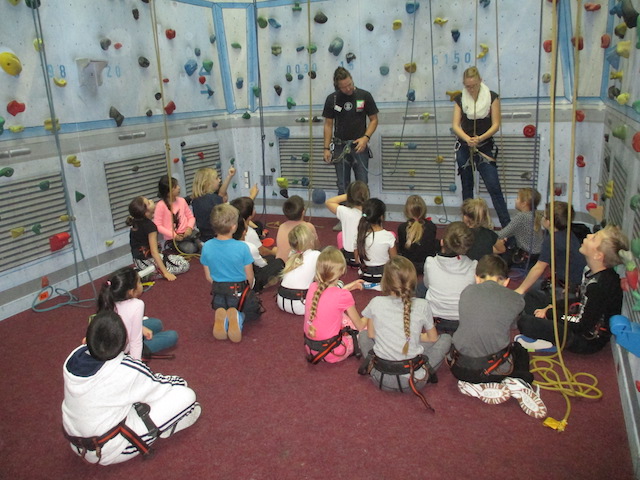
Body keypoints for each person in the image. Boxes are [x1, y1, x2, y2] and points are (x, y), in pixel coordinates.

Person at [62, 311, 200, 465]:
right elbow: (160, 388)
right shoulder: (126, 369)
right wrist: (180, 382)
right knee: (187, 395)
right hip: (112, 448)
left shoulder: (73, 358)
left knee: (134, 392)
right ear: (124, 342)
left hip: (79, 440)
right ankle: (167, 426)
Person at [449, 255, 546, 419]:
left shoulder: (467, 291)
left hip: (457, 366)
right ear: (506, 282)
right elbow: (512, 325)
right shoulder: (516, 300)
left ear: (477, 278)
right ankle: (520, 381)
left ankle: (470, 384)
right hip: (493, 370)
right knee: (519, 349)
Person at [517, 225, 629, 354]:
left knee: (525, 323)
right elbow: (579, 301)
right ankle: (545, 331)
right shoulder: (592, 271)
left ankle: (548, 338)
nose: (589, 235)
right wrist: (553, 307)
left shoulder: (599, 286)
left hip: (584, 338)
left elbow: (582, 325)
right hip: (577, 317)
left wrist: (551, 314)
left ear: (598, 255)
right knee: (532, 296)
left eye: (594, 238)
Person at [358, 256, 452, 409]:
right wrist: (411, 336)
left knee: (362, 335)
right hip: (414, 380)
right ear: (413, 280)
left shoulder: (375, 302)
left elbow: (371, 335)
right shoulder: (423, 305)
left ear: (385, 281)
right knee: (446, 338)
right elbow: (433, 338)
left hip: (379, 377)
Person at [452, 66, 510, 228]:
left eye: (473, 86)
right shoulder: (460, 99)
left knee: (494, 188)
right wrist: (467, 139)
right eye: (467, 86)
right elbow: (455, 125)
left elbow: (496, 124)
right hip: (465, 145)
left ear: (480, 81)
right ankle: (468, 227)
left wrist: (480, 138)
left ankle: (507, 228)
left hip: (484, 146)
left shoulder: (492, 97)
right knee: (467, 188)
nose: (470, 89)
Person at [200, 203, 261, 343]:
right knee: (252, 312)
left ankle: (224, 316)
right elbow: (250, 277)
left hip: (218, 290)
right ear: (234, 227)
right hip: (238, 291)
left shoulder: (207, 246)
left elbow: (208, 276)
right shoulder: (242, 247)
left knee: (223, 304)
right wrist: (249, 288)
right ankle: (237, 317)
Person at [515, 202, 587, 314]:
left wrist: (520, 290)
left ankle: (533, 316)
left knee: (529, 294)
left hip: (569, 288)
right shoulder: (566, 233)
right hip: (575, 283)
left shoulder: (552, 240)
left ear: (548, 222)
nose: (542, 218)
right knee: (535, 285)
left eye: (544, 216)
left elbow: (539, 267)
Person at [97, 266, 178, 360]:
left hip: (113, 342)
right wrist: (135, 363)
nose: (141, 284)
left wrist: (141, 328)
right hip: (123, 349)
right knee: (172, 336)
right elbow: (135, 342)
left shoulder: (110, 299)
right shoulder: (137, 305)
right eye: (139, 282)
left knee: (157, 323)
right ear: (131, 292)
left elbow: (122, 322)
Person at [322, 67, 379, 197]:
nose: (348, 89)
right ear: (337, 86)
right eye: (344, 87)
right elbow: (328, 125)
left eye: (349, 84)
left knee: (362, 184)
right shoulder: (332, 99)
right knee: (342, 185)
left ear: (352, 79)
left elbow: (374, 120)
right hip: (340, 147)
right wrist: (326, 149)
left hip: (359, 146)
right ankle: (343, 210)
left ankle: (363, 210)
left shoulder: (364, 96)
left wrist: (365, 138)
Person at [304, 246, 366, 364]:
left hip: (311, 349)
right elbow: (360, 326)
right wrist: (370, 315)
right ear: (342, 270)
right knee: (369, 328)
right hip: (334, 352)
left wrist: (346, 288)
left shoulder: (313, 287)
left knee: (336, 314)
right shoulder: (343, 296)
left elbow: (329, 298)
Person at [421, 222, 477, 334]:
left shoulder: (430, 262)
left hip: (437, 319)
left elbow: (427, 285)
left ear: (442, 242)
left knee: (420, 287)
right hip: (462, 320)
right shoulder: (473, 265)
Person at [127, 196, 190, 280]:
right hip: (147, 261)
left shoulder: (135, 221)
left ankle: (145, 271)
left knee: (179, 258)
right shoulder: (150, 226)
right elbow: (154, 252)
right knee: (184, 264)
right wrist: (166, 273)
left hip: (138, 261)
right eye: (148, 202)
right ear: (146, 212)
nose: (151, 200)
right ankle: (148, 274)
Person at [494, 187, 544, 270]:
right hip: (537, 257)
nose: (515, 200)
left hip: (524, 259)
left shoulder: (521, 217)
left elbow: (500, 235)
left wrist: (486, 233)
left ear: (524, 203)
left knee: (498, 253)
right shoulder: (536, 214)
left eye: (517, 198)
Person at [277, 224, 321, 315]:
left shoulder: (291, 254)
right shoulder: (316, 255)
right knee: (337, 285)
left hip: (281, 300)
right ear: (311, 240)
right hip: (300, 305)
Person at [325, 180, 370, 267]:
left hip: (349, 256)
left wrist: (349, 195)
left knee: (340, 235)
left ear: (349, 197)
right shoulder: (371, 212)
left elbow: (329, 202)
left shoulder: (345, 212)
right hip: (365, 256)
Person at [233, 215, 283, 292]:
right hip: (248, 283)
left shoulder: (222, 245)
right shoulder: (249, 247)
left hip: (230, 280)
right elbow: (262, 264)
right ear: (244, 232)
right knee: (279, 262)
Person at [355, 198, 397, 287]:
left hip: (365, 275)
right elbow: (394, 260)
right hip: (383, 276)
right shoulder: (388, 236)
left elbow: (357, 260)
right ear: (382, 217)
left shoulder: (359, 236)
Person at [154, 175, 199, 254]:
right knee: (191, 249)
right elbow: (158, 226)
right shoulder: (160, 205)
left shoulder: (182, 201)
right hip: (173, 239)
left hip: (188, 233)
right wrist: (174, 235)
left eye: (177, 185)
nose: (179, 188)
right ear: (168, 192)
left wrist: (189, 227)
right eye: (175, 187)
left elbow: (191, 217)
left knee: (201, 243)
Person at [191, 167, 236, 242]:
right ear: (208, 183)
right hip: (217, 237)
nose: (219, 180)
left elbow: (221, 195)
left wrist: (229, 176)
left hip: (204, 238)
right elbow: (221, 197)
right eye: (216, 178)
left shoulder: (196, 200)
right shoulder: (213, 199)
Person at [397, 195, 438, 275]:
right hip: (427, 265)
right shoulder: (431, 226)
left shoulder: (402, 228)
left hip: (408, 266)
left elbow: (402, 249)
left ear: (406, 211)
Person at [230, 190, 276, 258]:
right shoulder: (250, 232)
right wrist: (274, 252)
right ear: (250, 216)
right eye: (253, 208)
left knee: (258, 224)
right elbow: (263, 252)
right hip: (248, 259)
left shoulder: (230, 225)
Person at [275, 195, 318, 262]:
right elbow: (316, 246)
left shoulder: (282, 226)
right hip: (297, 264)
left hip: (280, 264)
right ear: (303, 212)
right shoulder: (309, 226)